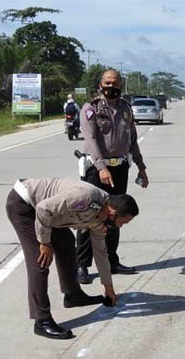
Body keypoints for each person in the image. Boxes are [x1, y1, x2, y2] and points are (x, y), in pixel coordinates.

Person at [6, 177, 139, 339]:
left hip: (50, 215)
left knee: (67, 243)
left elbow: (100, 253)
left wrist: (108, 287)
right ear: (113, 213)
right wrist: (45, 243)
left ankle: (73, 295)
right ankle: (41, 321)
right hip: (25, 205)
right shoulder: (85, 198)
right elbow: (42, 209)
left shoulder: (99, 217)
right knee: (40, 261)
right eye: (123, 222)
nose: (121, 226)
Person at [76, 69, 149, 284]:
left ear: (121, 85)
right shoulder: (91, 108)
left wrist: (141, 167)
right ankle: (82, 265)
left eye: (115, 83)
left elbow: (132, 140)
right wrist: (101, 167)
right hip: (96, 170)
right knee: (89, 217)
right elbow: (90, 139)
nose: (111, 86)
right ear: (100, 84)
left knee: (116, 216)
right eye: (107, 82)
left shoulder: (126, 108)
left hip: (119, 168)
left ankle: (112, 261)